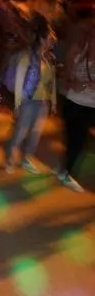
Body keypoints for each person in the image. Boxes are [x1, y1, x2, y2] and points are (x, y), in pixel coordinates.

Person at [5, 15, 56, 174]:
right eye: (50, 37)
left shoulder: (48, 58)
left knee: (35, 133)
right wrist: (17, 104)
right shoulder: (27, 56)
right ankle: (10, 157)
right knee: (21, 131)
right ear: (42, 39)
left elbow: (51, 81)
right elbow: (20, 80)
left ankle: (26, 158)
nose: (53, 40)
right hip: (27, 101)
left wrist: (53, 101)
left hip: (42, 102)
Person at [55, 17, 95, 193]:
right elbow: (65, 78)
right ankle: (65, 172)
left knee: (80, 142)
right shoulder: (77, 55)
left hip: (91, 107)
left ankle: (65, 170)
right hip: (73, 103)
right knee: (73, 141)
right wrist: (75, 83)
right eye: (92, 37)